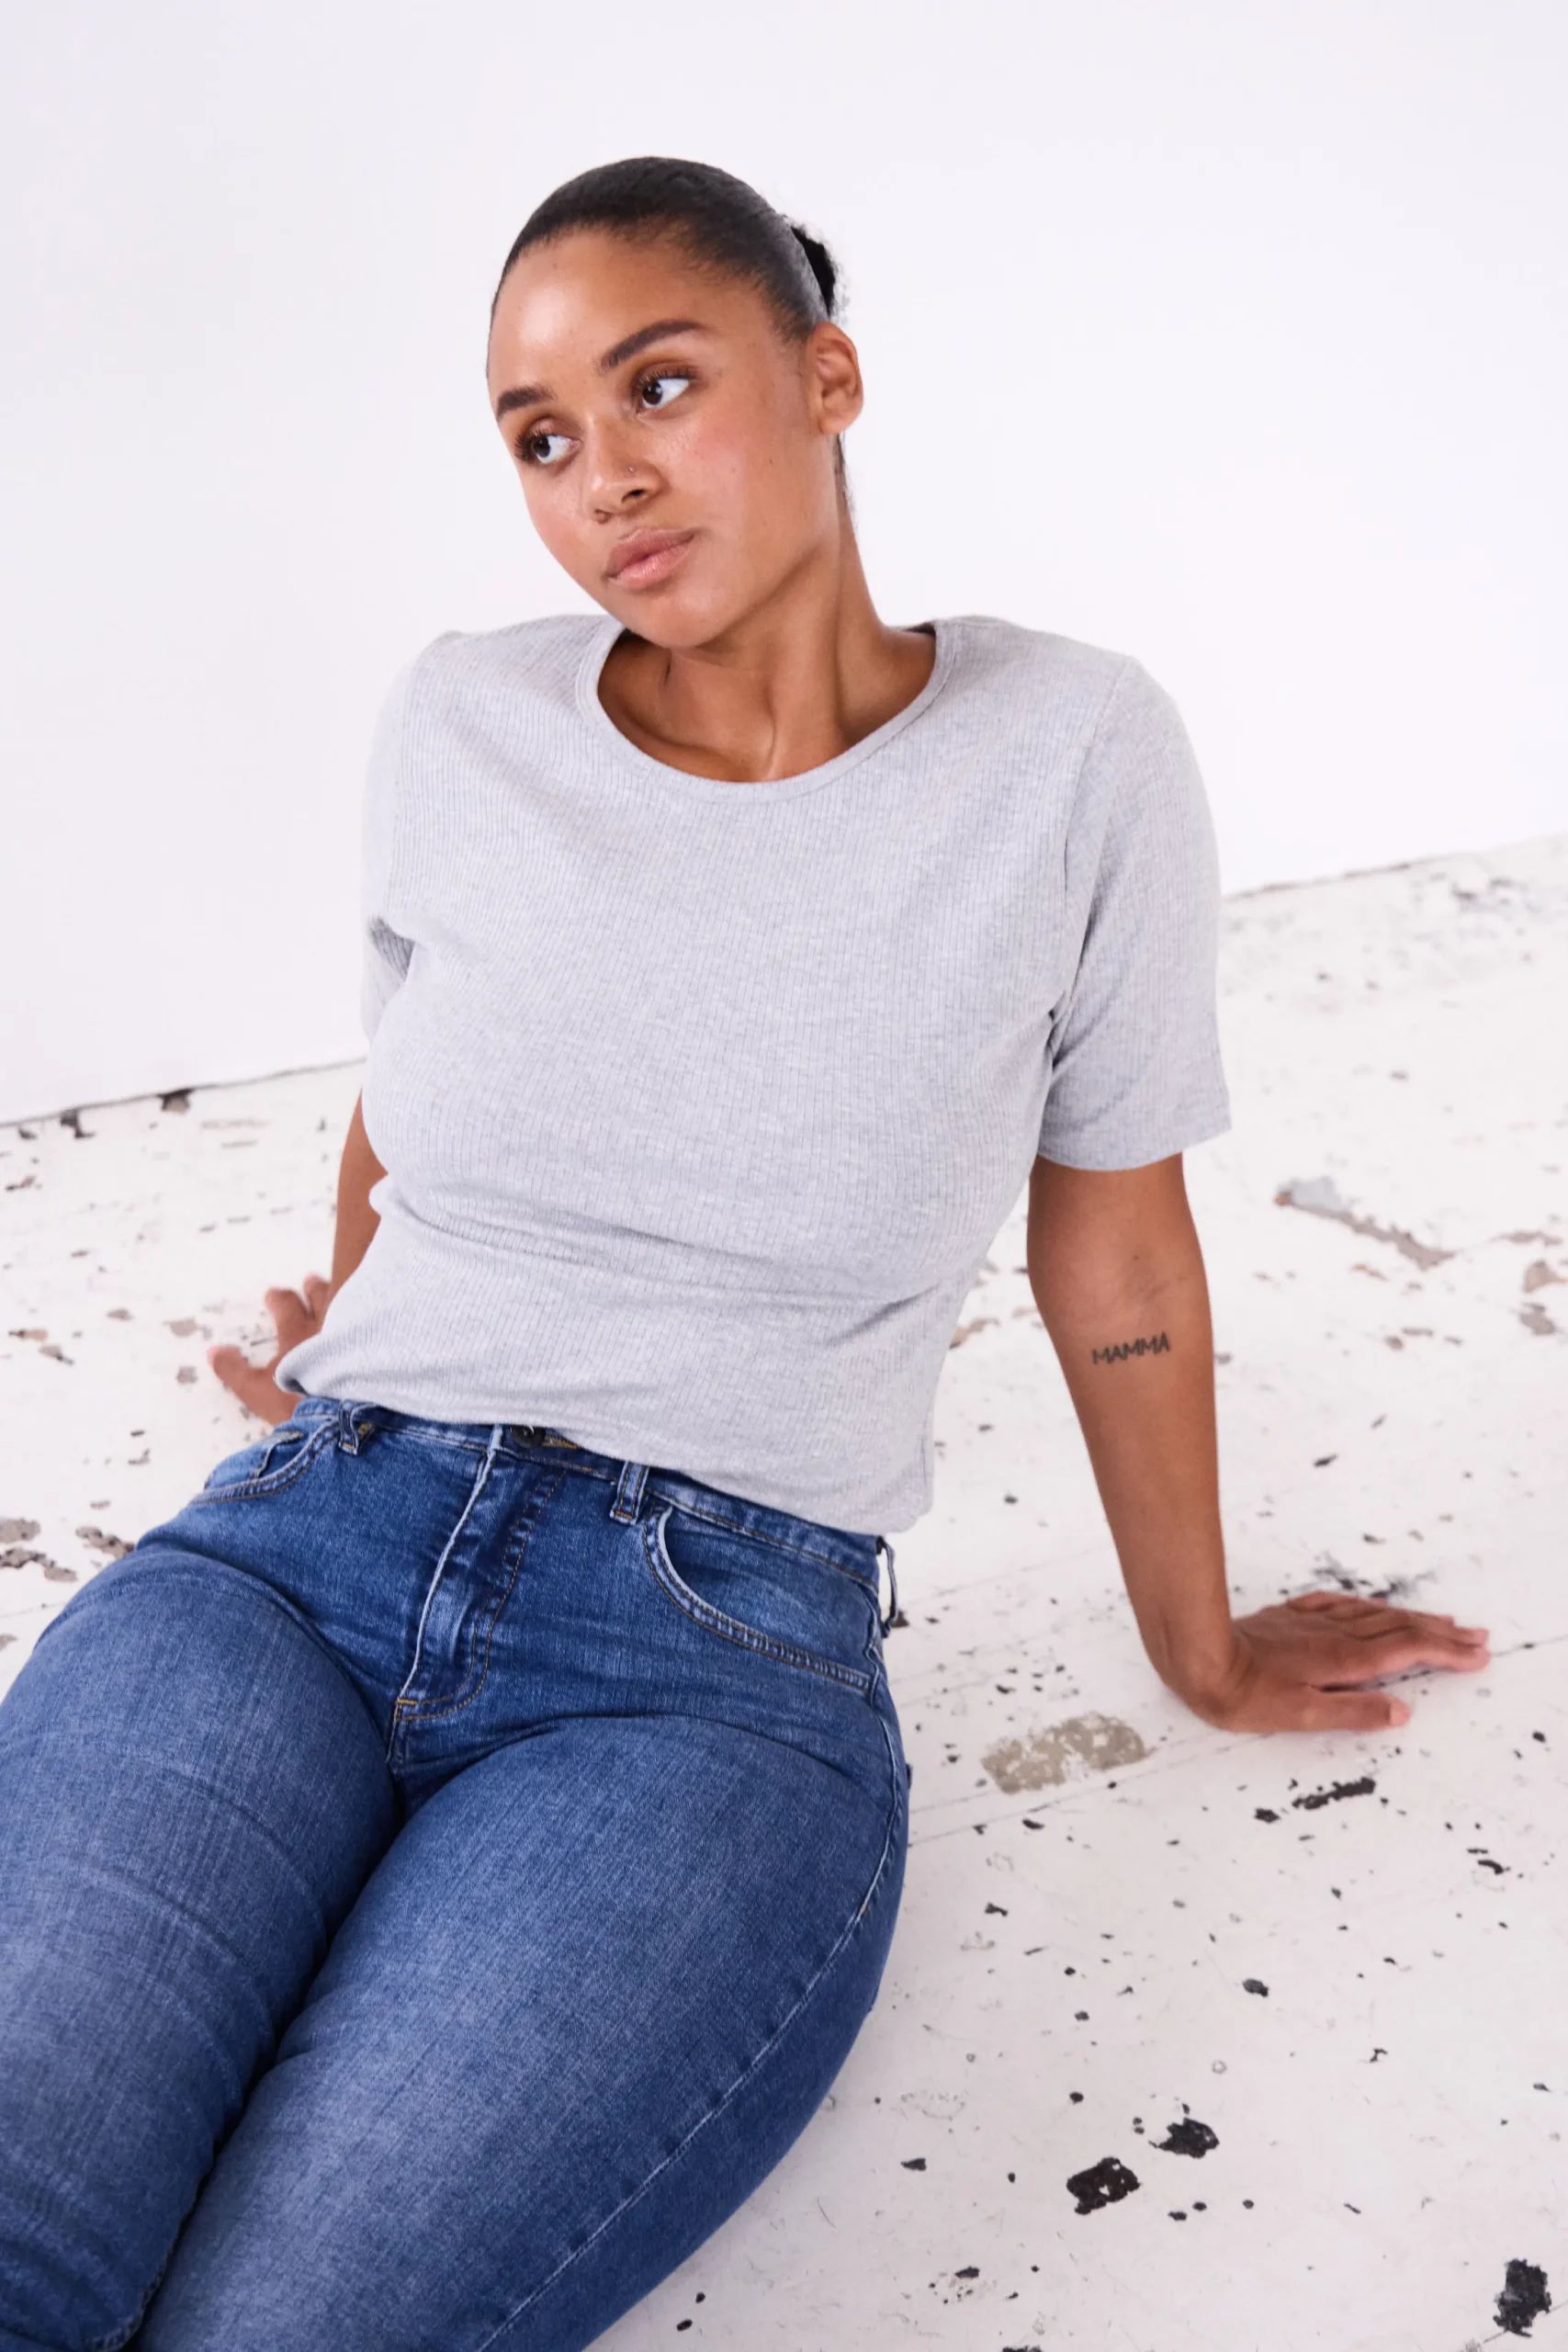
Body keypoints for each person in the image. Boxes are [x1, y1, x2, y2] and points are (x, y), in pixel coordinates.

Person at [0, 156, 1490, 2351]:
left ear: (827, 374)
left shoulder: (1069, 752)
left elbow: (1113, 1243)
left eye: (659, 385)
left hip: (701, 1676)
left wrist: (1194, 1640)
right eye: (539, 436)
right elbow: (411, 1089)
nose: (601, 475)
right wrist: (366, 1317)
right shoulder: (463, 714)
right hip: (292, 1562)